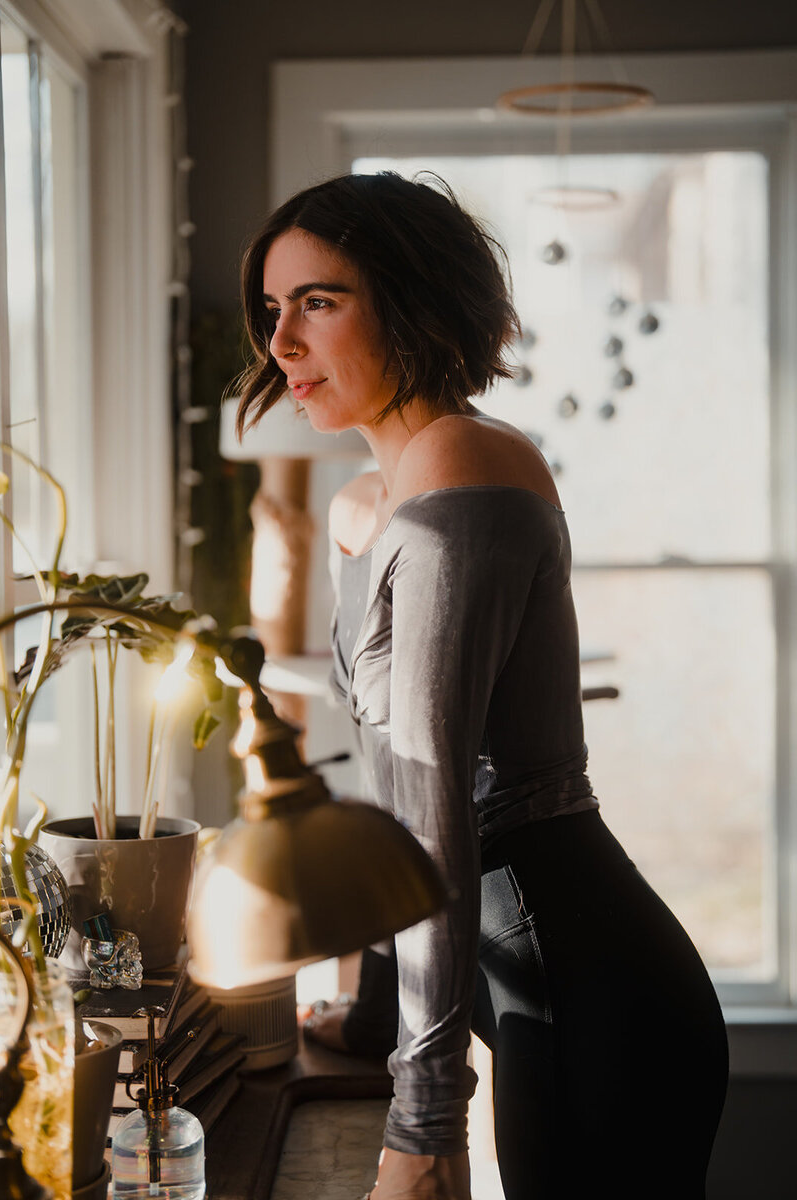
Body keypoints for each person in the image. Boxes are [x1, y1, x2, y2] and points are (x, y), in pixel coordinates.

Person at [236, 172, 728, 1200]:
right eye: (273, 309)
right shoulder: (364, 503)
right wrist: (377, 1013)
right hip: (524, 990)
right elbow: (394, 793)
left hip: (595, 994)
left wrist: (423, 1123)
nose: (281, 341)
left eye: (318, 302)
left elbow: (432, 814)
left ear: (411, 301)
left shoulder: (465, 464)